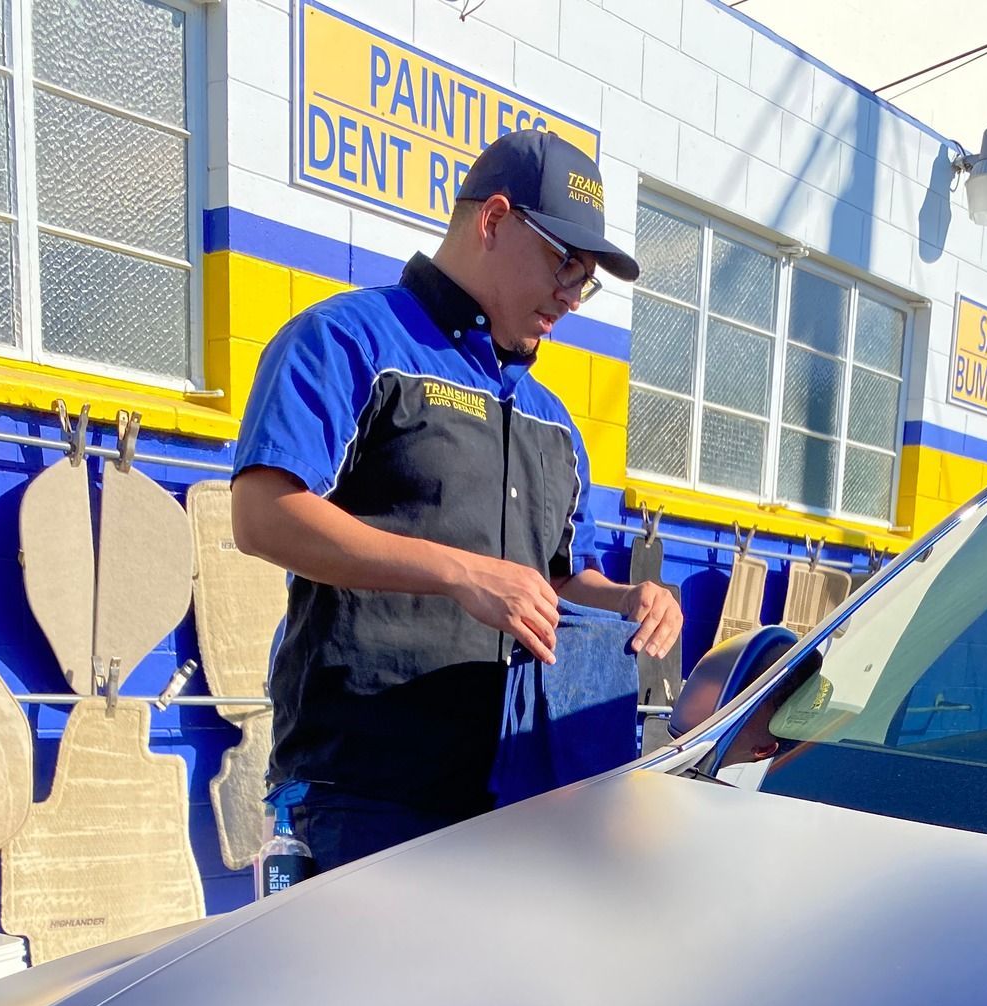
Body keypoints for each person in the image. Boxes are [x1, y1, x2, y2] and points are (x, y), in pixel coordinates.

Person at [231, 129, 682, 870]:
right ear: (494, 219)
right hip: (367, 791)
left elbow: (562, 577)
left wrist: (631, 599)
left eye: (589, 276)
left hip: (524, 794)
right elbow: (261, 514)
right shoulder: (347, 342)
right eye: (566, 262)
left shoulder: (555, 423)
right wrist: (460, 572)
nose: (574, 293)